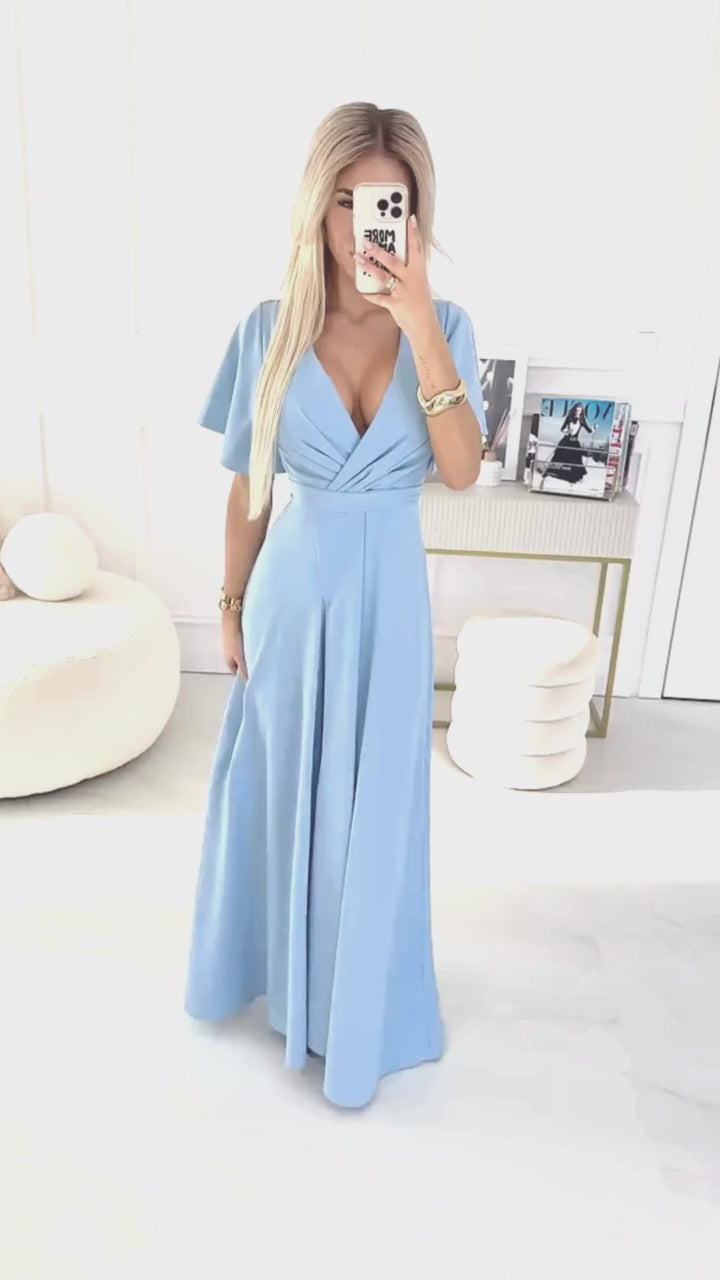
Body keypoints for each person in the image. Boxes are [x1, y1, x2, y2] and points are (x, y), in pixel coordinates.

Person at [184, 101, 488, 1109]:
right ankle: (286, 985)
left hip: (389, 603)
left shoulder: (447, 326)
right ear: (318, 208)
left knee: (378, 803)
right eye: (348, 201)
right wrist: (229, 602)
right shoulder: (267, 329)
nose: (365, 224)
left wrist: (418, 323)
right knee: (280, 792)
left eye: (387, 202)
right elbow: (248, 486)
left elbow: (460, 471)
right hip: (292, 592)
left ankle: (358, 1004)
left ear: (416, 212)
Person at [539, 401, 593, 488]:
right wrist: (567, 431)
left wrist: (594, 429)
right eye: (576, 410)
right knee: (558, 454)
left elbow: (589, 430)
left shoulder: (582, 420)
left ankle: (573, 477)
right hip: (566, 440)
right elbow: (562, 429)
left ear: (581, 411)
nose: (578, 412)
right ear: (574, 410)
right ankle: (551, 472)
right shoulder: (569, 418)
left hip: (574, 442)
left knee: (575, 459)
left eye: (579, 410)